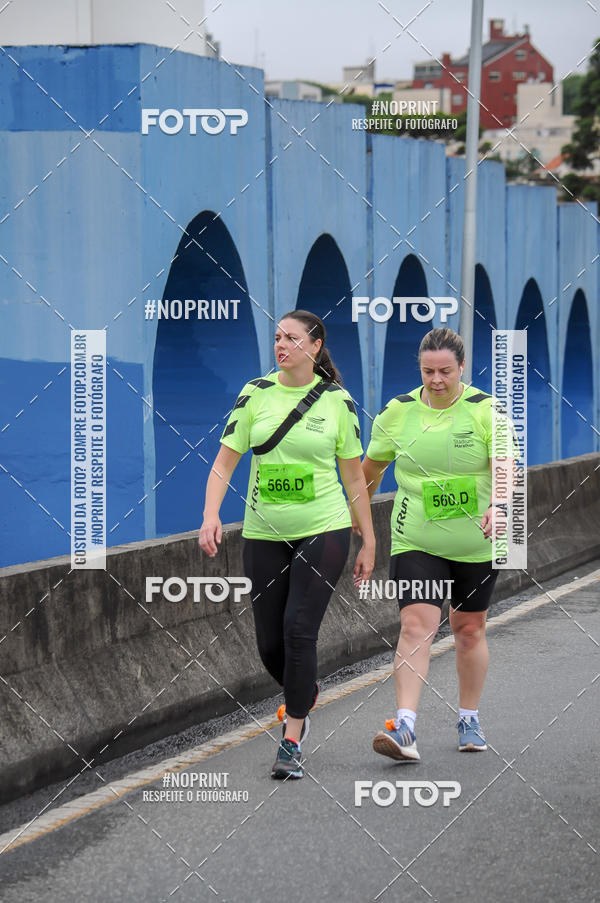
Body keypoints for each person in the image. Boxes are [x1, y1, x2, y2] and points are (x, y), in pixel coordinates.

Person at [199, 310, 375, 780]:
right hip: (263, 532)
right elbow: (224, 462)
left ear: (315, 346)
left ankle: (292, 739)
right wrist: (211, 514)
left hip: (325, 527)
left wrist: (369, 538)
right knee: (269, 642)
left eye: (292, 338)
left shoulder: (338, 401)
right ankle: (303, 690)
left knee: (299, 629)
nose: (281, 345)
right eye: (277, 337)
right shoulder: (254, 393)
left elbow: (353, 475)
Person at [359, 327, 513, 761]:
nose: (437, 379)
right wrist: (356, 518)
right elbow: (369, 471)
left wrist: (500, 506)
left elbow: (505, 465)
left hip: (476, 543)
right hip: (416, 538)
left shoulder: (487, 411)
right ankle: (405, 726)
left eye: (446, 370)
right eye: (428, 371)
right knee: (415, 625)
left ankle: (469, 716)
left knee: (468, 629)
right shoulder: (398, 413)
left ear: (462, 367)